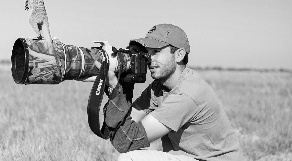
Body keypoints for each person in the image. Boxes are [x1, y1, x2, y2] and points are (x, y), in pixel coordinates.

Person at [103, 23, 245, 161]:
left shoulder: (187, 94)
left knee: (130, 159)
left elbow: (127, 141)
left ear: (179, 55)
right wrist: (123, 82)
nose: (148, 58)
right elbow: (119, 127)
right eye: (147, 52)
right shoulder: (158, 88)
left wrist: (117, 90)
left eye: (156, 52)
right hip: (186, 158)